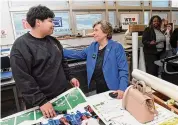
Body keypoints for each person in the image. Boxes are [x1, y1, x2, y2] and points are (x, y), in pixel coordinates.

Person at [10, 5, 79, 118]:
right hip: (40, 103)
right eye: (50, 21)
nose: (53, 24)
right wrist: (41, 101)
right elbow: (23, 79)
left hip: (61, 96)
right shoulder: (21, 45)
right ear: (38, 22)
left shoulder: (54, 41)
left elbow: (62, 62)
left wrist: (70, 77)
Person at [64, 20, 128, 99]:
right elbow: (78, 54)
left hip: (113, 88)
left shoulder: (116, 47)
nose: (93, 33)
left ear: (105, 32)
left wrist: (122, 89)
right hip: (98, 87)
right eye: (93, 30)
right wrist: (60, 50)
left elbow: (123, 70)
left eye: (96, 30)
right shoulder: (93, 46)